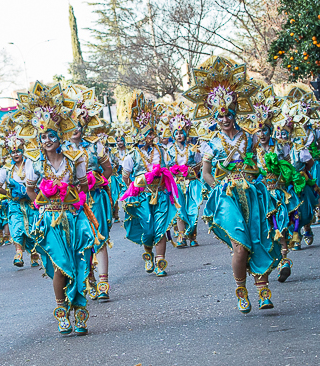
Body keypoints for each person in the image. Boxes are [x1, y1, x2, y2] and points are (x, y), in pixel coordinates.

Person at [187, 57, 281, 313]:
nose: (225, 118)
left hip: (251, 194)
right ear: (214, 115)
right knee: (240, 245)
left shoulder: (248, 137)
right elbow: (205, 173)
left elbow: (257, 166)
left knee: (259, 238)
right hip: (227, 197)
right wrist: (216, 189)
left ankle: (263, 290)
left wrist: (266, 175)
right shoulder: (211, 143)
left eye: (229, 113)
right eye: (220, 114)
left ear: (235, 112)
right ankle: (241, 289)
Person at [16, 81, 97, 335]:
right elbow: (30, 190)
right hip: (50, 221)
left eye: (52, 135)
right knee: (62, 266)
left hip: (74, 219)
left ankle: (80, 311)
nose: (48, 140)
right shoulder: (35, 163)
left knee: (81, 264)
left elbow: (83, 187)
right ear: (38, 139)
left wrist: (75, 201)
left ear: (60, 136)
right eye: (43, 136)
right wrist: (41, 204)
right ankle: (62, 311)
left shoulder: (75, 159)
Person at [63, 85, 114, 299]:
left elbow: (108, 168)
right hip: (73, 202)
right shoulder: (61, 150)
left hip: (95, 198)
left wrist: (97, 180)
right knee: (81, 241)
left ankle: (103, 282)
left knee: (99, 238)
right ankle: (89, 279)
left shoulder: (95, 145)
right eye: (71, 122)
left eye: (79, 121)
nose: (76, 127)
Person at [119, 92, 177, 278]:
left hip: (160, 194)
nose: (152, 136)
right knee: (148, 230)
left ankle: (160, 261)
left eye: (153, 132)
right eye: (148, 133)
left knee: (161, 228)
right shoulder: (132, 155)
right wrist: (135, 189)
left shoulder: (162, 151)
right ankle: (148, 253)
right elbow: (125, 176)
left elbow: (168, 169)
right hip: (142, 197)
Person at [0, 112, 43, 270]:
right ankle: (18, 253)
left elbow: (39, 181)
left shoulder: (30, 164)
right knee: (16, 227)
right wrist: (9, 193)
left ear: (23, 150)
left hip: (30, 202)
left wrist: (32, 192)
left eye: (18, 151)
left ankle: (34, 254)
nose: (15, 154)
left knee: (33, 229)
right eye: (13, 152)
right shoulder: (6, 169)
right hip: (15, 205)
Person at [159, 100, 203, 249]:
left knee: (193, 209)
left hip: (191, 183)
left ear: (186, 133)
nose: (179, 136)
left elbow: (199, 164)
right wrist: (174, 171)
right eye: (176, 134)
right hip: (177, 184)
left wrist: (191, 171)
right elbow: (167, 167)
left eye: (181, 133)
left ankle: (193, 236)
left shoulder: (193, 149)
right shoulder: (169, 150)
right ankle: (182, 236)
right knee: (180, 210)